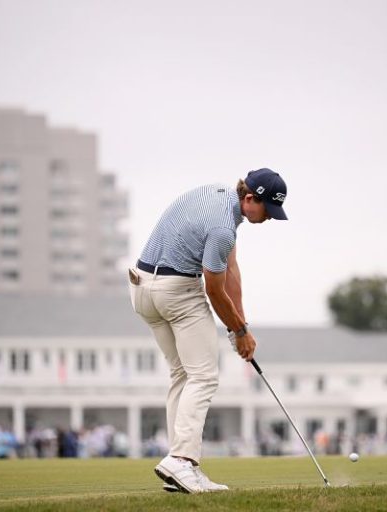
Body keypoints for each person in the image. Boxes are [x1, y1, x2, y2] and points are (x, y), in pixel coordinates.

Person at [128, 168, 288, 493]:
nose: (269, 218)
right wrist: (240, 331)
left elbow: (230, 270)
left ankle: (180, 468)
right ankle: (182, 462)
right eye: (267, 209)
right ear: (249, 198)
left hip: (142, 288)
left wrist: (240, 326)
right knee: (204, 377)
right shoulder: (222, 229)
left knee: (183, 376)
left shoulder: (217, 196)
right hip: (175, 290)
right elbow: (215, 291)